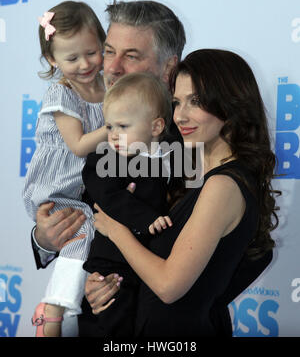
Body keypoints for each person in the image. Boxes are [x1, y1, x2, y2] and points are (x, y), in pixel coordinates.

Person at [92, 49, 281, 337]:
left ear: (230, 104)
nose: (180, 115)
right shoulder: (189, 173)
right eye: (177, 102)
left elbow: (168, 286)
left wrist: (116, 230)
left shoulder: (223, 186)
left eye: (196, 101)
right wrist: (106, 286)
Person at [23, 1, 107, 337]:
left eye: (92, 52)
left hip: (76, 186)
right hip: (54, 187)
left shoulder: (110, 88)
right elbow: (78, 145)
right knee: (85, 228)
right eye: (72, 58)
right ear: (53, 60)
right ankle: (54, 310)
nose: (85, 64)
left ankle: (55, 311)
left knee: (86, 229)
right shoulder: (61, 93)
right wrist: (117, 124)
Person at [80, 71, 183, 336]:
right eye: (110, 126)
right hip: (112, 263)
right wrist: (146, 219)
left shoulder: (171, 153)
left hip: (150, 264)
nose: (113, 135)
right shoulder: (104, 159)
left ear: (156, 127)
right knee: (114, 322)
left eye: (123, 126)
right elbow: (109, 199)